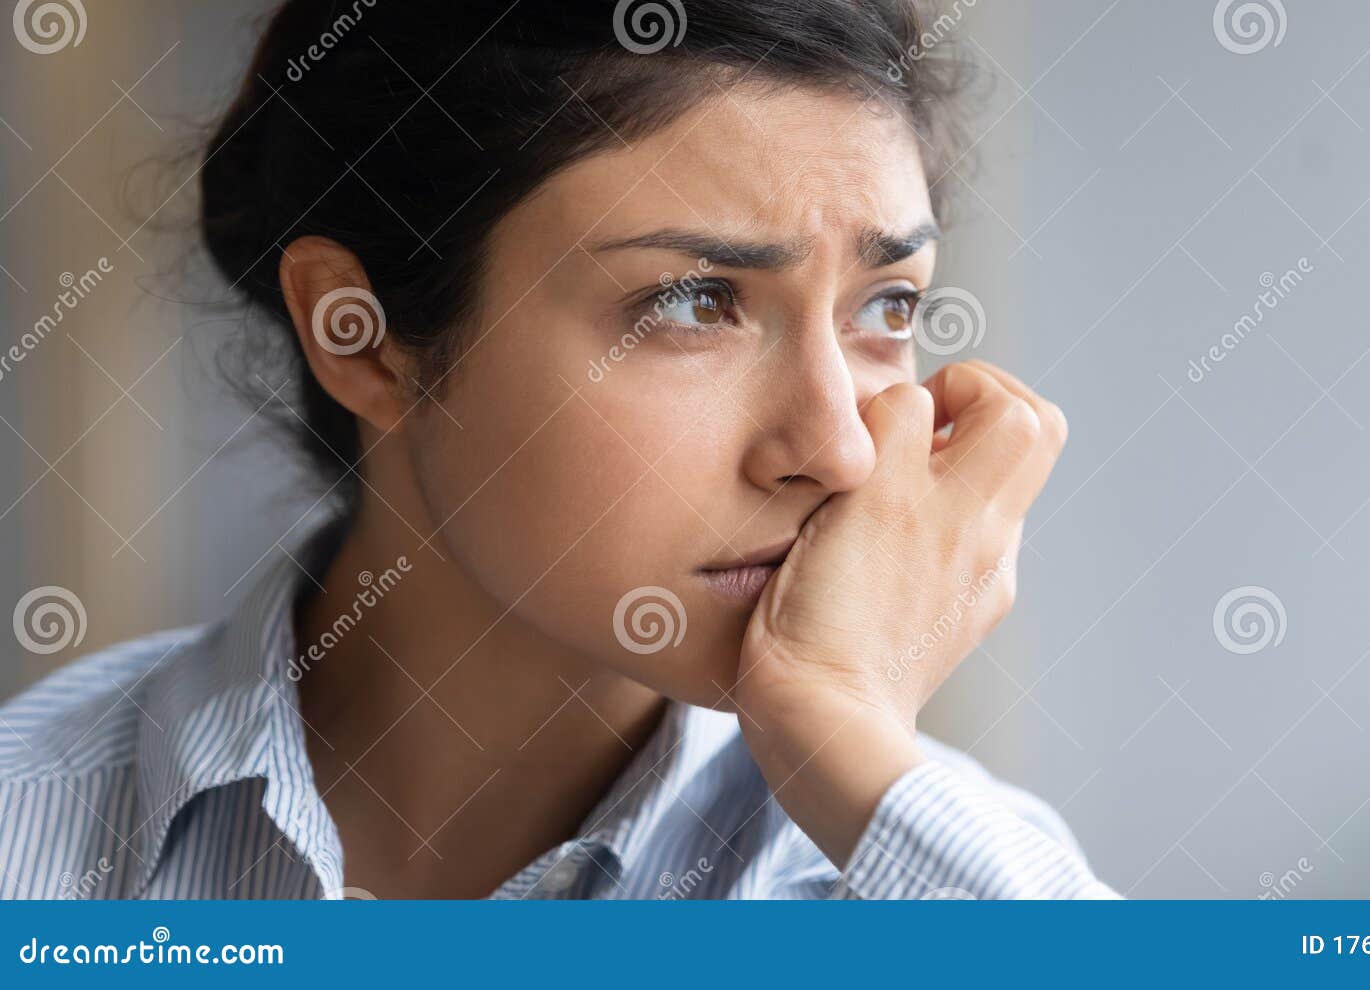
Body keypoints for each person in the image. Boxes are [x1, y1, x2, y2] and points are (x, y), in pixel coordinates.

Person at [0, 0, 1116, 900]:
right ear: (365, 339)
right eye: (691, 301)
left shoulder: (923, 871)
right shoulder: (31, 839)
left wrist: (839, 727)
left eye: (885, 306)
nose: (834, 448)